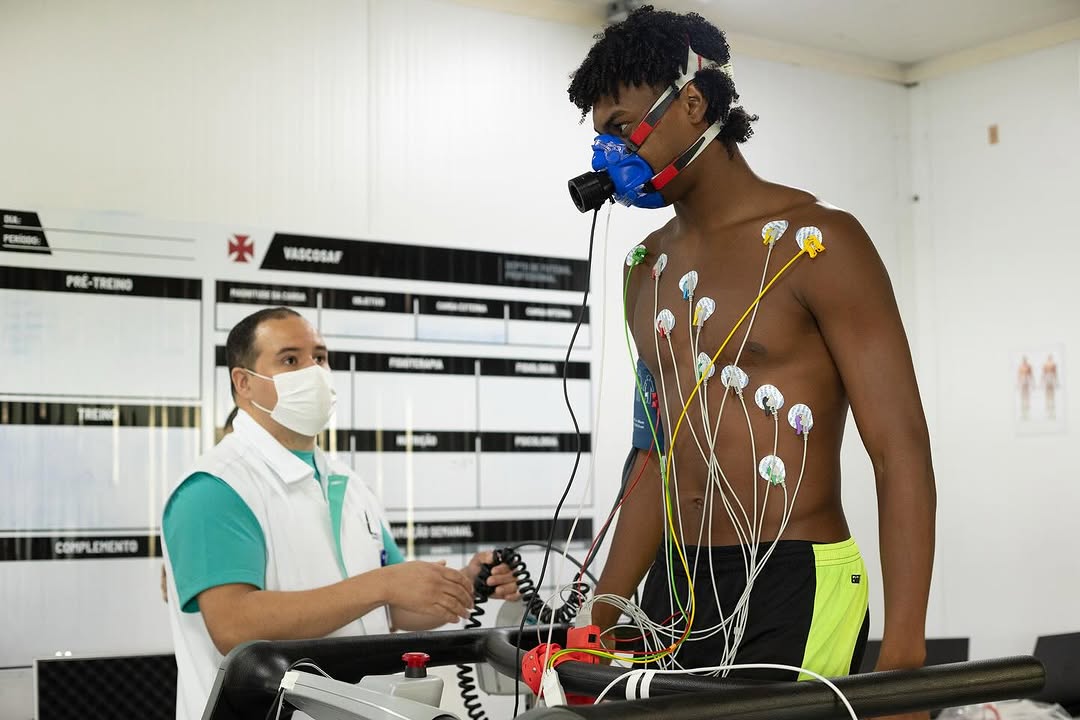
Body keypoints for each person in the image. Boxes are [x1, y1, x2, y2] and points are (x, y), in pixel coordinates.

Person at [566, 4, 936, 700]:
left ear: (692, 104)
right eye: (601, 136)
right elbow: (655, 457)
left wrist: (905, 650)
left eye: (622, 127)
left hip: (795, 577)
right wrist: (602, 614)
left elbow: (900, 449)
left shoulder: (820, 243)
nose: (609, 154)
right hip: (676, 585)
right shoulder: (645, 269)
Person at [162, 307, 520, 719]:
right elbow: (234, 626)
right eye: (290, 359)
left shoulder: (347, 483)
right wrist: (382, 585)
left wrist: (465, 584)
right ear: (244, 383)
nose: (313, 371)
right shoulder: (214, 487)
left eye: (319, 357)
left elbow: (394, 609)